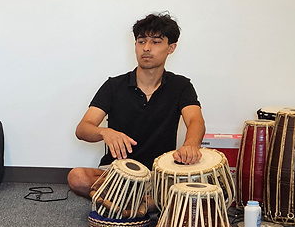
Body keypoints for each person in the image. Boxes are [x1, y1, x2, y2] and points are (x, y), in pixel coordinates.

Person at [67, 13, 206, 199]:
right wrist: (105, 132)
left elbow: (195, 120)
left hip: (159, 174)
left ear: (171, 48)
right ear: (135, 46)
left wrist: (190, 146)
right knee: (77, 177)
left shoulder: (181, 86)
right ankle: (143, 202)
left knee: (189, 185)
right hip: (117, 172)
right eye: (141, 42)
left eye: (155, 42)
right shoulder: (114, 86)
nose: (146, 48)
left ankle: (122, 201)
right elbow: (83, 129)